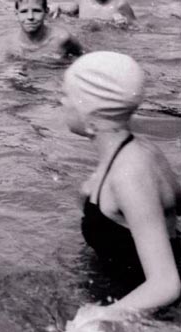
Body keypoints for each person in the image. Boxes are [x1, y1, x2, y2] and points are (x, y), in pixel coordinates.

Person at [61, 52, 181, 330]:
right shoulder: (139, 152)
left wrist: (96, 318)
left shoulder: (130, 173)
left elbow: (166, 284)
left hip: (159, 310)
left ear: (90, 109)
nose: (61, 101)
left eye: (66, 94)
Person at [0, 0, 83, 66]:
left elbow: (84, 58)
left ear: (46, 12)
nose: (30, 17)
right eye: (24, 11)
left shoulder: (62, 38)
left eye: (36, 11)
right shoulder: (9, 44)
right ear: (16, 14)